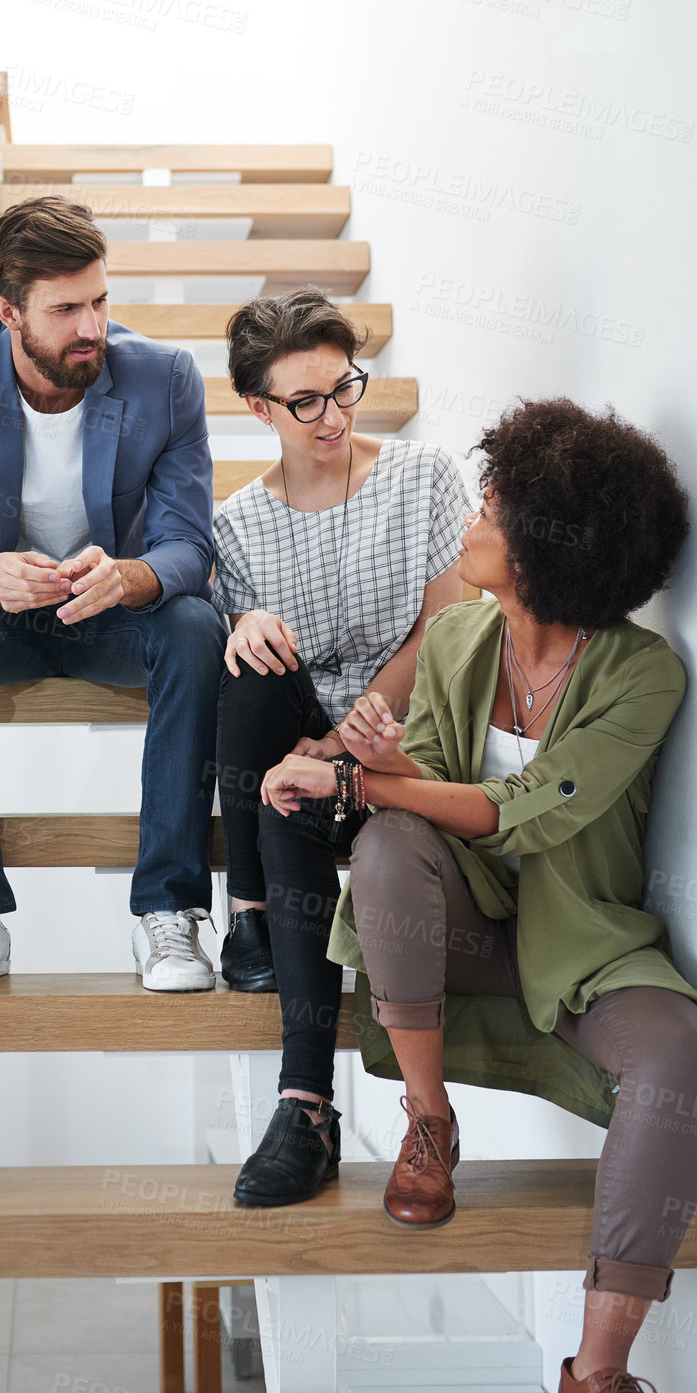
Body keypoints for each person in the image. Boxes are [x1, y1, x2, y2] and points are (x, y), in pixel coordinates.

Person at [263, 397, 697, 1393]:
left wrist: (361, 775)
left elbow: (526, 809)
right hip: (454, 926)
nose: (475, 515)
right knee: (385, 848)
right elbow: (421, 802)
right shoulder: (459, 635)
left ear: (550, 545)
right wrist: (370, 759)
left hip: (582, 944)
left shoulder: (643, 674)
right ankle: (428, 1122)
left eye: (497, 503)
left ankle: (598, 1379)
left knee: (682, 1056)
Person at [0, 196, 225, 993]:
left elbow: (187, 544)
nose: (91, 327)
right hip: (1, 617)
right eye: (66, 308)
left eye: (100, 301)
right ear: (7, 312)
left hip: (115, 613)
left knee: (196, 628)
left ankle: (168, 915)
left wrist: (132, 574)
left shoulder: (164, 377)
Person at [212, 288, 468, 1206]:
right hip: (299, 749)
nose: (332, 416)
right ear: (257, 409)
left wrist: (341, 736)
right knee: (249, 677)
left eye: (344, 388)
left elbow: (445, 625)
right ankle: (301, 1089)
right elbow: (263, 687)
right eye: (304, 401)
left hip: (402, 740)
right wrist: (247, 627)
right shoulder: (236, 525)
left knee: (297, 788)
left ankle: (304, 1103)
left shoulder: (423, 476)